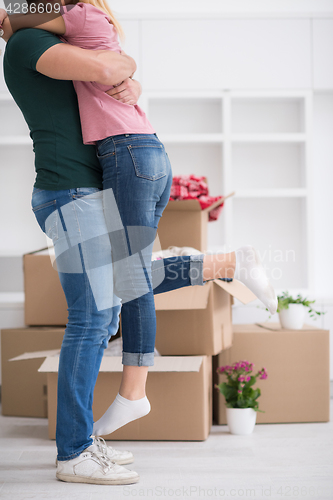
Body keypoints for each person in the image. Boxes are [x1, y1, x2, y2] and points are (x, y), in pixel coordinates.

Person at [1, 7, 277, 486]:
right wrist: (126, 67)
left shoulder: (52, 36)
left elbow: (104, 83)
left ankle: (224, 264)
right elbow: (110, 67)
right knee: (91, 318)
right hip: (72, 192)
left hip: (90, 190)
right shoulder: (28, 44)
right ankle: (74, 452)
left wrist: (131, 83)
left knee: (112, 299)